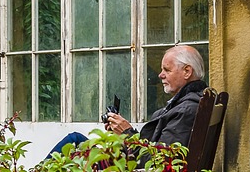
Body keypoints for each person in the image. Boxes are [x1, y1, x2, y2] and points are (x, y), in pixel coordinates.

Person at [46, 45, 208, 157]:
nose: (160, 75)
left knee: (74, 142)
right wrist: (120, 133)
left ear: (187, 71)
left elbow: (158, 162)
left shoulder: (186, 109)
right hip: (136, 169)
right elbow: (155, 151)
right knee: (75, 142)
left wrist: (126, 133)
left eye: (167, 70)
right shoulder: (189, 104)